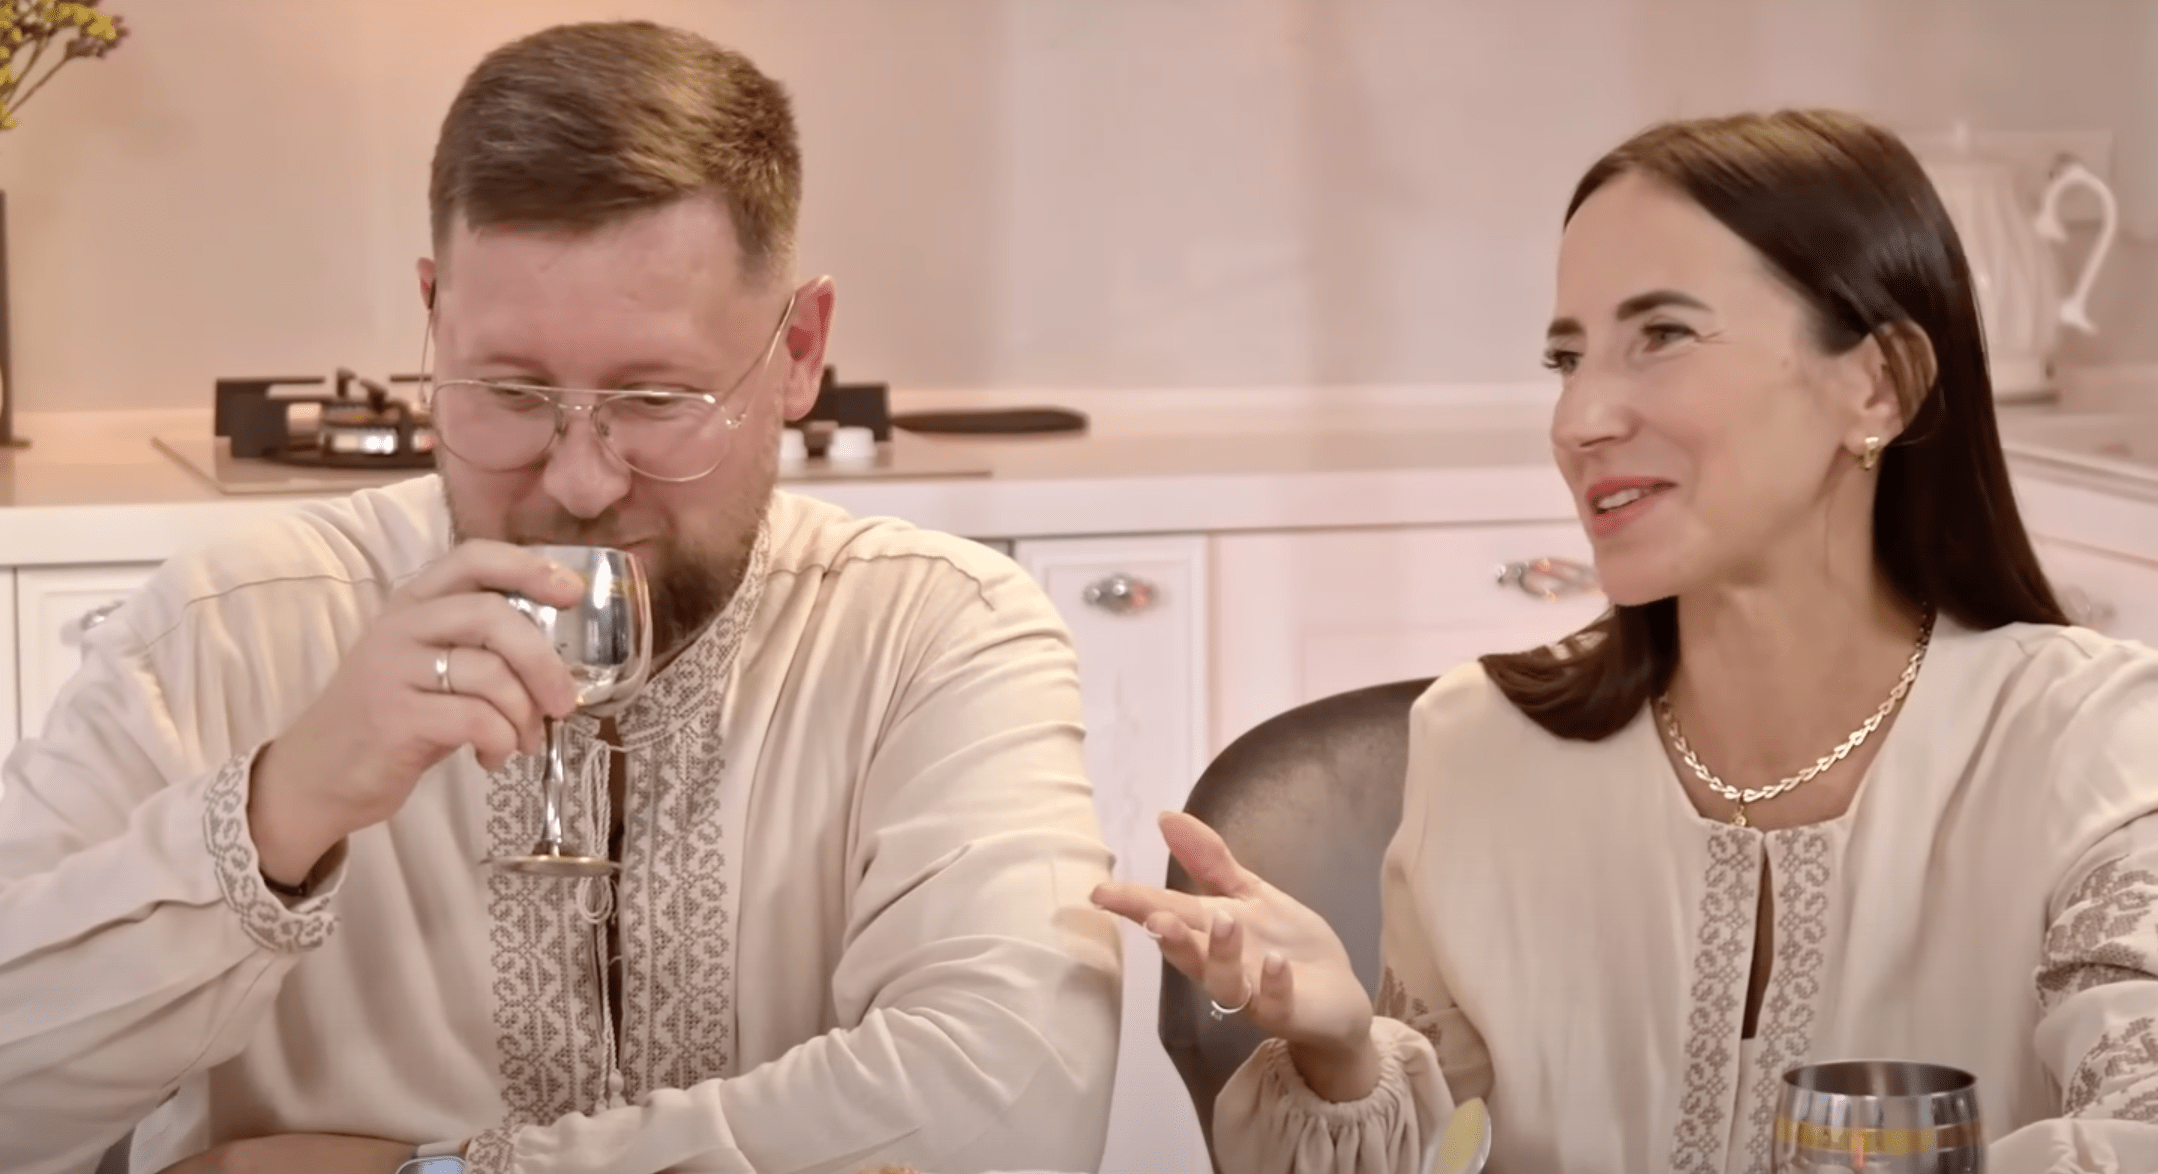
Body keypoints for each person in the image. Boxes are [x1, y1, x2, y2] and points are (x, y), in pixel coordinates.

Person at [0, 20, 1121, 1174]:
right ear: (434, 318)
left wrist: (427, 1171)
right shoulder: (226, 630)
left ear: (798, 350)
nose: (581, 483)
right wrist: (277, 811)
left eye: (655, 399)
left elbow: (1012, 1113)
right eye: (508, 390)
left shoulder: (939, 635)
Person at [1096, 108, 2158, 1173]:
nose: (1578, 420)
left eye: (1662, 336)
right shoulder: (1477, 747)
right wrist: (1341, 1056)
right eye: (1567, 358)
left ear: (1876, 384)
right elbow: (1434, 1146)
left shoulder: (2098, 750)